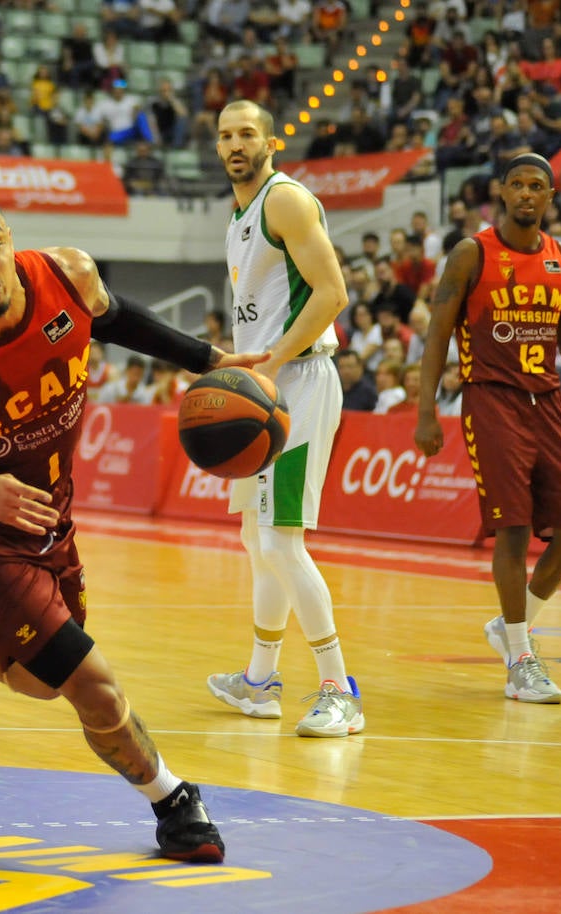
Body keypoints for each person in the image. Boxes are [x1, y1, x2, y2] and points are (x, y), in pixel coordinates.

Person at [0, 189, 251, 861]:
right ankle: (174, 800)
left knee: (36, 680)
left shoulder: (67, 275)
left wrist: (205, 359)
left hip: (55, 516)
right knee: (91, 683)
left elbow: (114, 316)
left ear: (11, 239)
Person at [414, 153, 561, 704]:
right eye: (518, 185)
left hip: (549, 401)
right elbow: (437, 334)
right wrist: (425, 410)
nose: (528, 194)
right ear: (502, 193)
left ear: (552, 196)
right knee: (513, 530)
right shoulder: (471, 254)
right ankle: (521, 660)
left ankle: (513, 623)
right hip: (491, 400)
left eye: (539, 186)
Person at [204, 101, 364, 737]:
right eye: (225, 136)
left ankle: (338, 689)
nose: (235, 144)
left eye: (247, 133)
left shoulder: (286, 200)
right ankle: (260, 680)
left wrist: (273, 362)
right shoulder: (241, 213)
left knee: (280, 540)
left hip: (297, 383)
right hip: (264, 383)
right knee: (254, 538)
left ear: (270, 141)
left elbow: (333, 294)